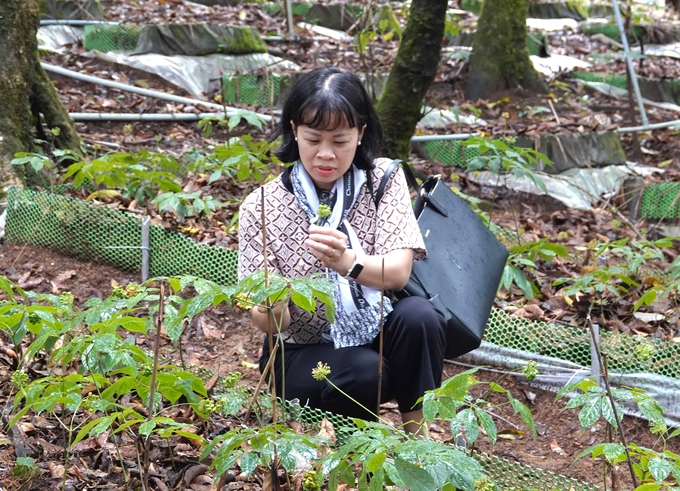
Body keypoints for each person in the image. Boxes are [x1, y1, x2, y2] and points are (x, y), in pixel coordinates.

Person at [237, 66, 446, 433]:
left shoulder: (383, 179)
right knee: (365, 369)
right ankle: (357, 456)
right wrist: (273, 302)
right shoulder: (262, 207)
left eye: (340, 140)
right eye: (313, 139)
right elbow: (270, 325)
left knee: (420, 317)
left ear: (361, 133)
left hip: (379, 334)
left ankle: (420, 443)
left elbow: (398, 273)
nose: (326, 154)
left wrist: (346, 261)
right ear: (293, 130)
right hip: (303, 354)